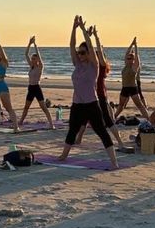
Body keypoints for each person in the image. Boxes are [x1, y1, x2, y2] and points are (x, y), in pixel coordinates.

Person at [58, 16, 120, 168]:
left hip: (92, 104)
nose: (80, 54)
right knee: (72, 130)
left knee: (101, 131)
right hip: (77, 104)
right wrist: (74, 28)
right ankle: (63, 156)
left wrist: (84, 31)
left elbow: (92, 48)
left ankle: (114, 162)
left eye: (83, 52)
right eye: (79, 52)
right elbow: (71, 45)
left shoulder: (94, 67)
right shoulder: (77, 65)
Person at [77, 26, 123, 146]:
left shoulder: (100, 64)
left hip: (99, 95)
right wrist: (87, 35)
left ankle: (119, 141)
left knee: (107, 119)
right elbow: (88, 50)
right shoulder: (91, 65)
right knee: (85, 118)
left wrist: (95, 37)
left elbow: (96, 50)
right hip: (93, 94)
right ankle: (79, 138)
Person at [17, 36, 55, 129]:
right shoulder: (31, 66)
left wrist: (35, 45)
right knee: (26, 107)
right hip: (30, 88)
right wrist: (29, 43)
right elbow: (26, 54)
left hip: (37, 88)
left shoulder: (40, 67)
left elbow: (40, 57)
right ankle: (21, 121)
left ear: (37, 60)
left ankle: (51, 124)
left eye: (34, 59)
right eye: (32, 59)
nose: (32, 60)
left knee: (43, 107)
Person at [116, 37, 149, 119]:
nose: (128, 59)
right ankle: (114, 117)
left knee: (140, 106)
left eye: (131, 58)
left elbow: (137, 57)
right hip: (124, 88)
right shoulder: (126, 65)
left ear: (134, 60)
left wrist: (136, 46)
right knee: (121, 106)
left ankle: (149, 120)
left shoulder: (134, 67)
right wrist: (132, 44)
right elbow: (127, 53)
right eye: (128, 58)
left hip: (132, 88)